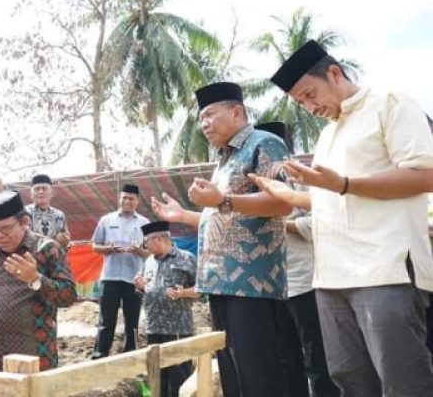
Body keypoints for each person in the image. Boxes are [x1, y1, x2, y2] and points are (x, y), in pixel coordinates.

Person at [266, 40, 433, 395]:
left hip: (384, 271)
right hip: (330, 279)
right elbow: (334, 200)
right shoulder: (328, 134)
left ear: (334, 73)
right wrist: (288, 195)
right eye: (301, 102)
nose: (310, 107)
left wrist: (341, 183)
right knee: (351, 381)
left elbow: (425, 174)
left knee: (403, 382)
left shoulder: (390, 103)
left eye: (310, 95)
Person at [152, 82, 293, 397]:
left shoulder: (264, 143)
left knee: (260, 378)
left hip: (252, 286)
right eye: (201, 118)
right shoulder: (224, 159)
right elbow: (224, 214)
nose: (204, 124)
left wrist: (223, 201)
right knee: (233, 378)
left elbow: (284, 202)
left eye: (210, 115)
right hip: (220, 285)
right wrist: (183, 216)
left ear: (237, 111)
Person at [0, 190, 77, 370]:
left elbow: (69, 296)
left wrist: (36, 279)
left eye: (6, 228)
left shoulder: (47, 250)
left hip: (35, 356)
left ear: (24, 222)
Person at [256, 121, 339, 397]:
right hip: (272, 284)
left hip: (306, 281)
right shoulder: (254, 184)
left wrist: (286, 226)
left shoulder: (305, 178)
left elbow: (325, 222)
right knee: (285, 357)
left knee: (317, 356)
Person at [133, 221, 197, 397]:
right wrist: (139, 287)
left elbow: (202, 290)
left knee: (179, 379)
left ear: (159, 238)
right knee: (157, 378)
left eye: (147, 242)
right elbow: (144, 288)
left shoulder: (186, 258)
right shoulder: (149, 261)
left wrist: (184, 293)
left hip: (177, 328)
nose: (145, 246)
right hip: (154, 327)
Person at [91, 184, 150, 359]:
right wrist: (109, 248)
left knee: (132, 321)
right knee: (106, 320)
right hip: (110, 277)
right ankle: (99, 356)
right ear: (119, 199)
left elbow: (150, 252)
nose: (127, 201)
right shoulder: (106, 220)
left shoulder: (144, 223)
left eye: (131, 198)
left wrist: (139, 250)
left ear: (137, 201)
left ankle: (130, 357)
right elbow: (94, 246)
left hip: (134, 279)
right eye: (124, 198)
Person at [25, 174, 71, 247]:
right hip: (28, 256)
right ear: (31, 194)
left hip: (54, 257)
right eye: (37, 189)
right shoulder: (24, 213)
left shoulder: (59, 215)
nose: (41, 192)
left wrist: (65, 240)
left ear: (52, 193)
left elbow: (66, 239)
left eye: (44, 188)